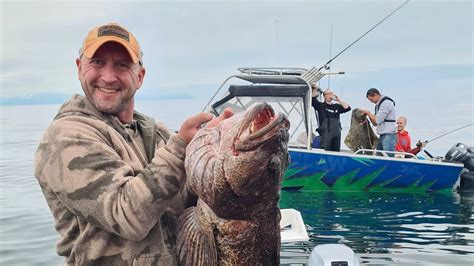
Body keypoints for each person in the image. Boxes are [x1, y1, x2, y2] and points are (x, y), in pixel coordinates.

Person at [33, 22, 232, 265]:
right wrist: (182, 147)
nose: (108, 76)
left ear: (139, 76)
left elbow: (199, 203)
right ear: (79, 68)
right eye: (97, 62)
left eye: (122, 65)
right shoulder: (65, 138)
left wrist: (226, 155)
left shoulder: (157, 133)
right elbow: (127, 215)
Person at [311, 84, 351, 151]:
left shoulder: (337, 106)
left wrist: (338, 100)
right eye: (328, 93)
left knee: (336, 151)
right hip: (325, 134)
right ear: (324, 96)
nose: (330, 95)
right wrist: (315, 89)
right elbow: (313, 100)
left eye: (331, 93)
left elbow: (348, 108)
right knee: (325, 151)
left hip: (336, 134)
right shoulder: (320, 106)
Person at [362, 88, 397, 155]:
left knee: (388, 156)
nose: (371, 102)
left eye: (371, 99)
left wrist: (368, 113)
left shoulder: (386, 103)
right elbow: (375, 123)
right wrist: (368, 116)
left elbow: (377, 120)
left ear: (376, 95)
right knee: (378, 155)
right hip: (382, 134)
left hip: (389, 134)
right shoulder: (378, 105)